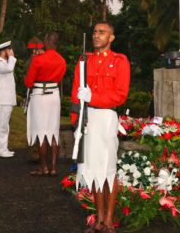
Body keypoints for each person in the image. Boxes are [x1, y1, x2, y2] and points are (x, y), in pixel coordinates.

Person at [71, 22, 130, 232]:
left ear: (111, 38)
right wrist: (75, 121)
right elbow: (75, 91)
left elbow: (121, 94)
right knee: (93, 168)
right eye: (95, 32)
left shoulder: (119, 61)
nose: (97, 35)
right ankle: (99, 219)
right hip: (87, 118)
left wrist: (93, 97)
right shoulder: (84, 60)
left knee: (108, 169)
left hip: (106, 117)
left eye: (102, 32)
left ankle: (109, 221)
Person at [24, 32, 67, 176]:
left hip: (39, 96)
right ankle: (53, 168)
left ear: (47, 41)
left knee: (41, 132)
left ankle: (43, 167)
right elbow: (59, 79)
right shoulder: (62, 60)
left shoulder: (38, 59)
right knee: (53, 132)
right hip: (54, 96)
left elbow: (29, 82)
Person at [0, 41, 16, 158]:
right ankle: (0, 150)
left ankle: (2, 148)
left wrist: (10, 58)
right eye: (8, 50)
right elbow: (9, 69)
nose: (10, 51)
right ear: (3, 51)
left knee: (4, 125)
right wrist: (12, 57)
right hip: (3, 100)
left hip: (6, 99)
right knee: (1, 125)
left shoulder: (4, 63)